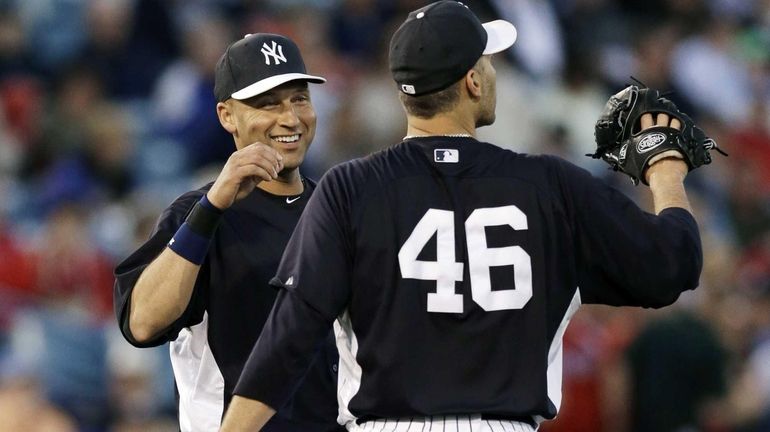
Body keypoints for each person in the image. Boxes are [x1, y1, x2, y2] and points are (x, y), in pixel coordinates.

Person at [220, 2, 704, 431]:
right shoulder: (551, 186)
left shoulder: (350, 187)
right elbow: (673, 265)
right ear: (472, 82)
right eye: (487, 62)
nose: (492, 71)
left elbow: (288, 339)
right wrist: (664, 172)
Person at [113, 33, 344, 432]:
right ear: (226, 116)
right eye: (268, 104)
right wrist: (211, 209)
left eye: (299, 99)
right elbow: (143, 322)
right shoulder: (196, 214)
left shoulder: (339, 209)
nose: (290, 118)